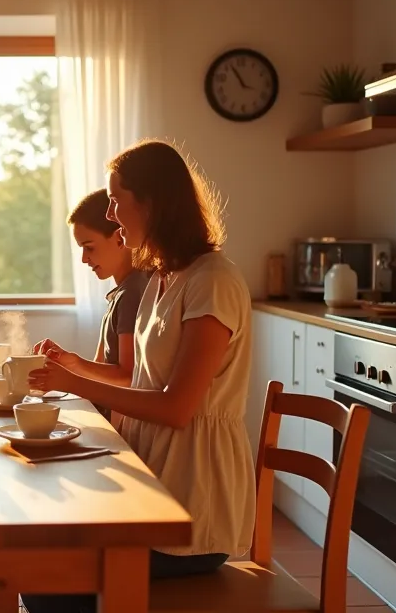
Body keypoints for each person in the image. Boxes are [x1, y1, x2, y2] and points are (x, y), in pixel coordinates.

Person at [22, 140, 256, 612]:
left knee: (45, 584)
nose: (110, 213)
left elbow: (175, 407)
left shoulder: (213, 281)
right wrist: (75, 366)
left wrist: (74, 384)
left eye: (115, 200)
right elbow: (142, 379)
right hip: (151, 493)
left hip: (191, 514)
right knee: (41, 549)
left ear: (150, 203)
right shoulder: (165, 278)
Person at [31, 189, 150, 407]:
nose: (85, 259)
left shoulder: (132, 293)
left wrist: (75, 366)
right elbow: (101, 366)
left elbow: (128, 376)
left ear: (119, 238)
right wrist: (70, 362)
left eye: (89, 247)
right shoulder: (121, 293)